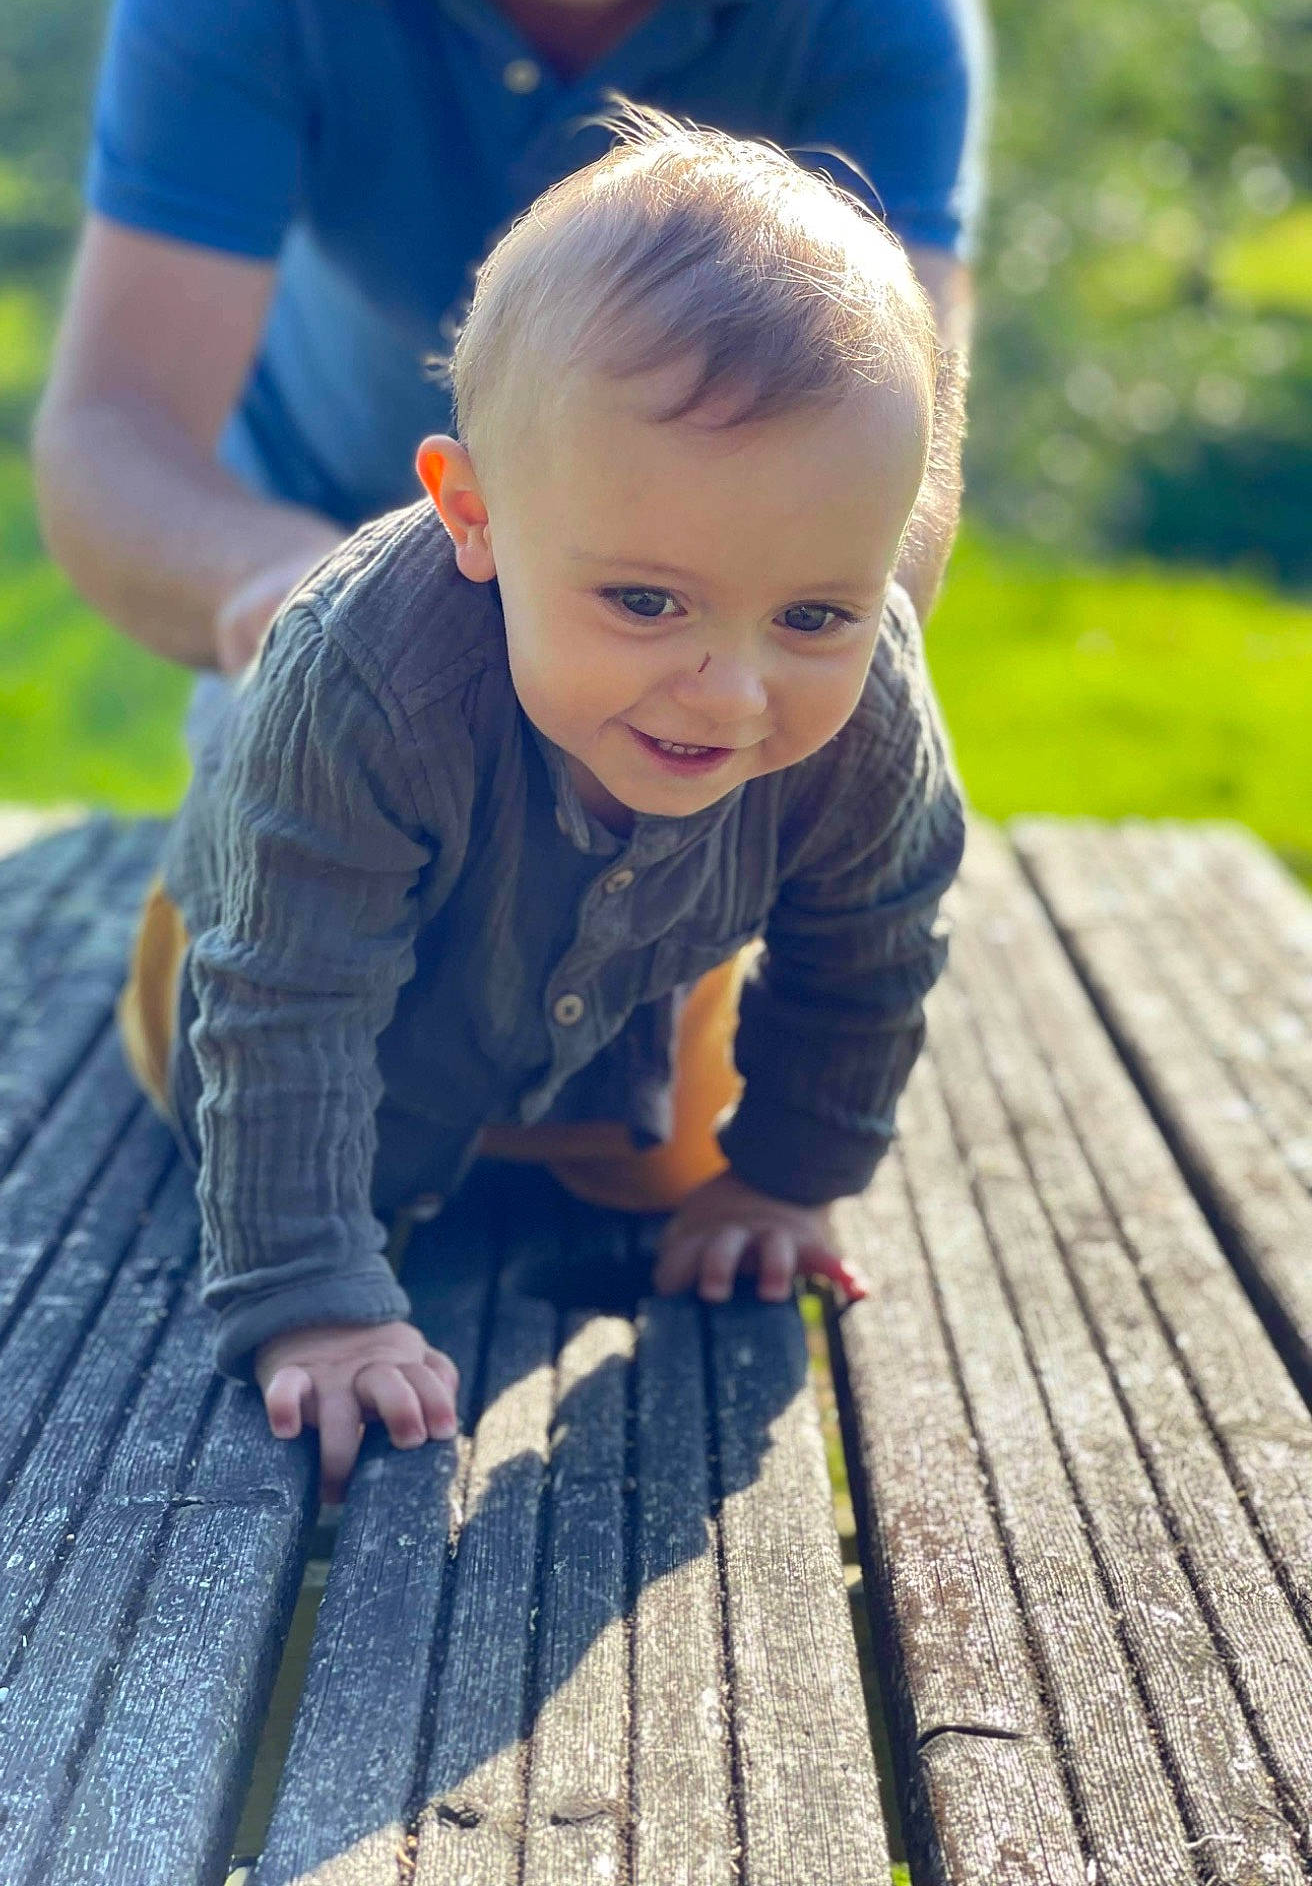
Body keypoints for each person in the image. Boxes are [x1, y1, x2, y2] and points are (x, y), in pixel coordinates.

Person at [116, 109, 966, 1500]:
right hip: (291, 976)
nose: (730, 688)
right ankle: (224, 750)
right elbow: (286, 992)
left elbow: (873, 942)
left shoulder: (863, 711)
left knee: (678, 1166)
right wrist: (313, 1297)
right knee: (213, 1038)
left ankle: (593, 1118)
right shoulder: (367, 679)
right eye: (645, 601)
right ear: (475, 515)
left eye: (815, 613)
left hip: (619, 996)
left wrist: (783, 1176)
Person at [33, 0, 988, 697]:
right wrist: (305, 598)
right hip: (318, 539)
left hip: (706, 638)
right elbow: (116, 428)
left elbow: (905, 453)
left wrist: (754, 673)